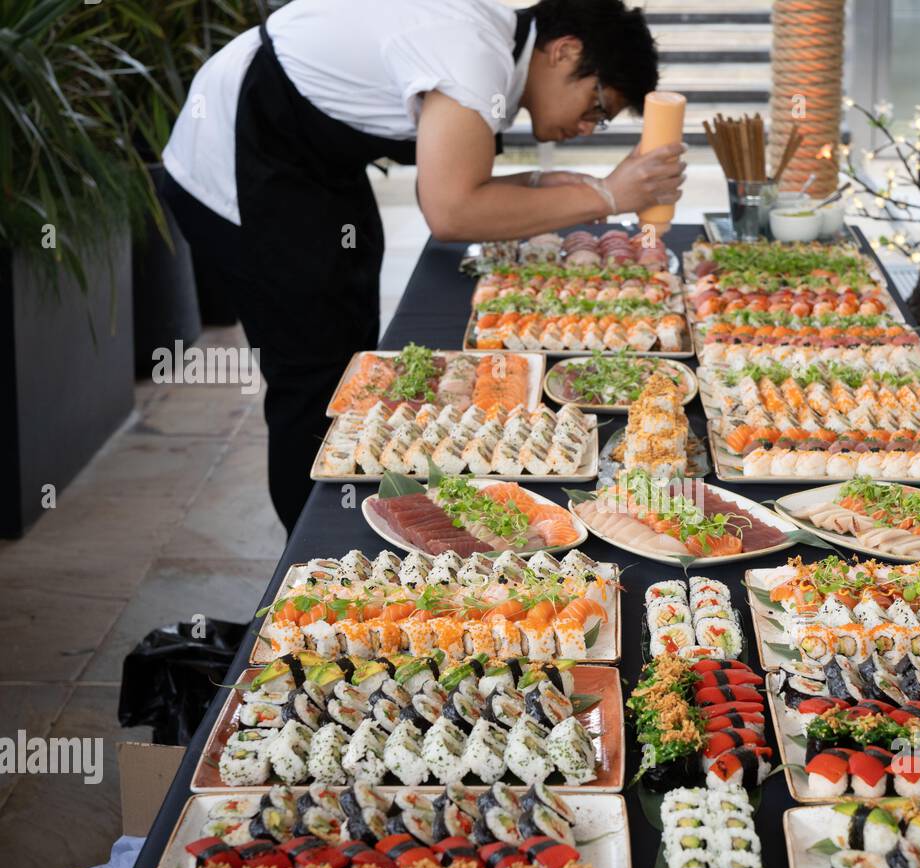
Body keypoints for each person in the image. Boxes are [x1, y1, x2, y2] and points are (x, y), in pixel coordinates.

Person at [160, 0, 685, 529]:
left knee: (354, 343)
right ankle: (315, 556)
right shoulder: (475, 54)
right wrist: (607, 196)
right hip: (243, 149)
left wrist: (568, 187)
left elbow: (459, 182)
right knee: (310, 369)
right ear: (565, 50)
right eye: (597, 106)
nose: (589, 126)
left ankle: (373, 488)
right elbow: (452, 211)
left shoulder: (491, 45)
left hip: (314, 160)